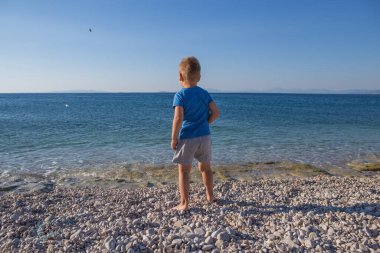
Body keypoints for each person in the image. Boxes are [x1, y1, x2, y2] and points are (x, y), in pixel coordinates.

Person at [171, 56, 220, 211]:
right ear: (199, 77)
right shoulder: (204, 93)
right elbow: (216, 112)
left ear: (180, 76)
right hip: (205, 137)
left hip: (188, 138)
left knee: (184, 170)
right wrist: (206, 122)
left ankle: (184, 203)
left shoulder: (180, 95)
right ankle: (210, 196)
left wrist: (174, 138)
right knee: (205, 167)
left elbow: (178, 118)